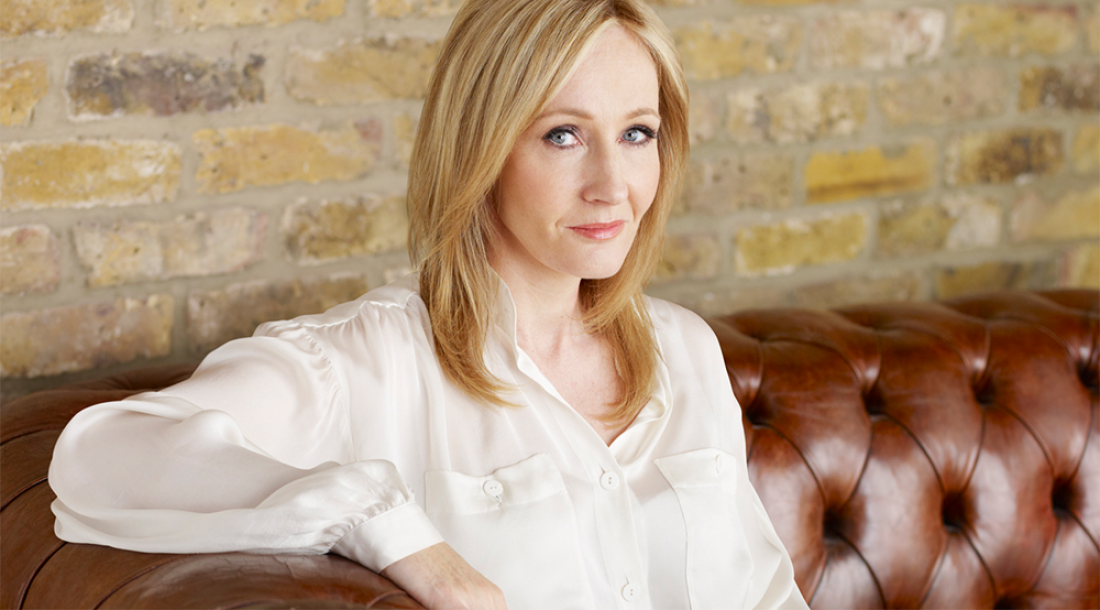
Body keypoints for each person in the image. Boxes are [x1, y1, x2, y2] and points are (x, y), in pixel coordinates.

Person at [48, 0, 808, 608]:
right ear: (480, 149)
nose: (613, 185)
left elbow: (767, 592)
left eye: (637, 133)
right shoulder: (366, 362)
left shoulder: (685, 349)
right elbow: (104, 454)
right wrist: (390, 529)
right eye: (563, 136)